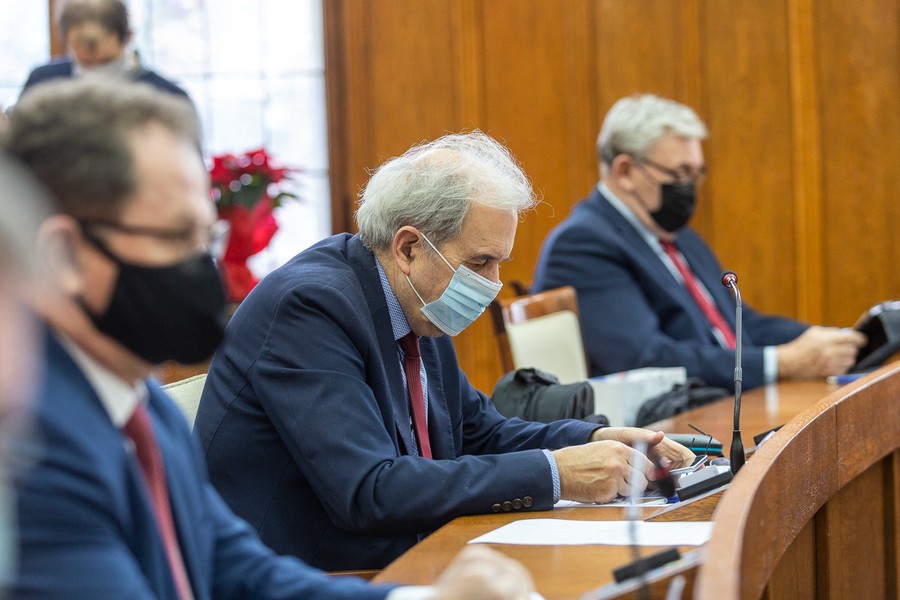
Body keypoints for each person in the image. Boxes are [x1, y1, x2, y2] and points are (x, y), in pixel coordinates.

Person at [3, 78, 538, 600]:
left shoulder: (142, 408)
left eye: (205, 237)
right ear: (64, 256)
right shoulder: (30, 445)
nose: (203, 268)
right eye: (175, 237)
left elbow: (238, 570)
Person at [195, 131, 694, 571]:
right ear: (408, 248)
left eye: (499, 263)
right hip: (319, 579)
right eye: (479, 262)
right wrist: (558, 474)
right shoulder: (311, 308)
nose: (492, 285)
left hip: (406, 559)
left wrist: (593, 439)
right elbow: (370, 490)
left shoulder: (415, 303)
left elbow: (478, 432)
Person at [532, 94, 866, 391]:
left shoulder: (679, 238)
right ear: (625, 172)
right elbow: (646, 359)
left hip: (725, 403)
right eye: (679, 174)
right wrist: (780, 363)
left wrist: (830, 342)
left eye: (696, 174)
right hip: (665, 427)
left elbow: (739, 323)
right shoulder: (582, 245)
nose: (689, 188)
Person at [20, 0, 189, 100]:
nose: (95, 71)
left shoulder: (165, 97)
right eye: (85, 62)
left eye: (106, 62)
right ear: (66, 40)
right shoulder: (42, 84)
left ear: (128, 37)